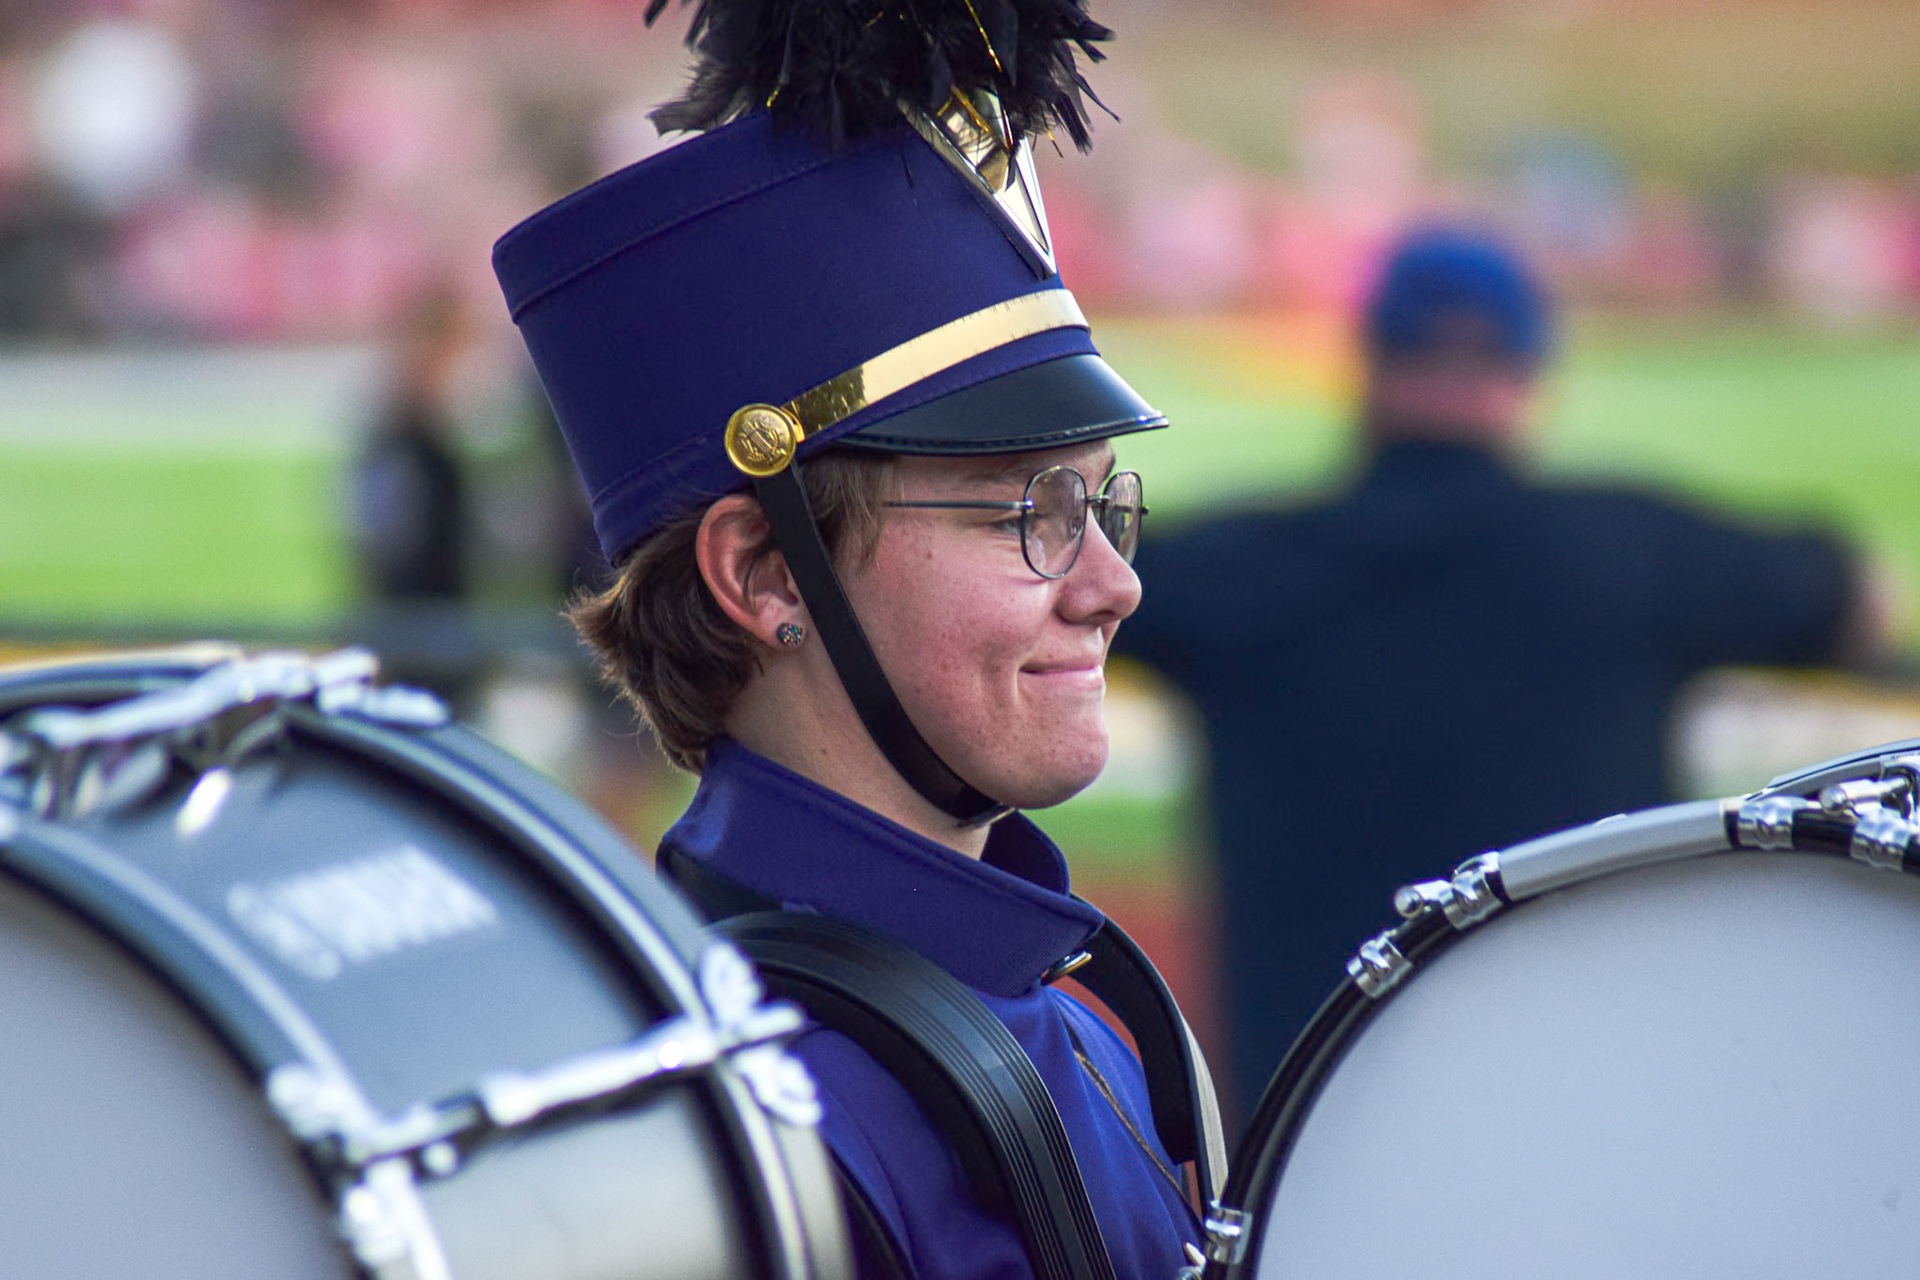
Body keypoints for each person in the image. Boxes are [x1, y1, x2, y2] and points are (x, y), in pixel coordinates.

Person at [490, 3, 1207, 1276]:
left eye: (1100, 503)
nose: (1111, 583)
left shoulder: (1075, 1004)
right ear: (764, 570)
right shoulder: (750, 1138)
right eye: (1024, 513)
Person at [1116, 225, 1896, 1119]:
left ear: (1369, 363)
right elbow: (1853, 594)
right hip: (1590, 1112)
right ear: (1527, 372)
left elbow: (1053, 589)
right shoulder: (1630, 550)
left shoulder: (1238, 567)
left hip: (1313, 1117)